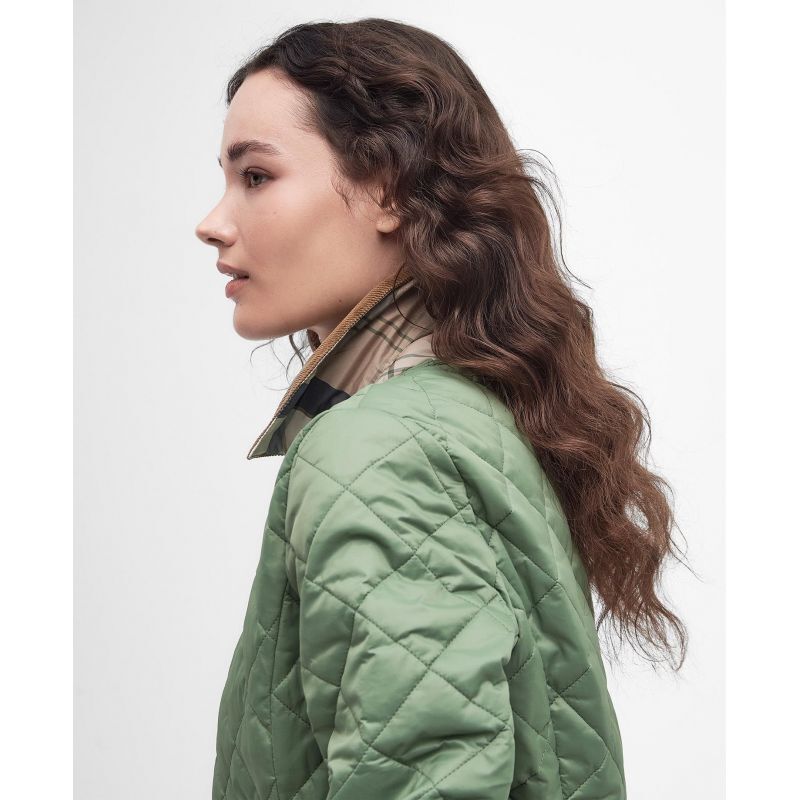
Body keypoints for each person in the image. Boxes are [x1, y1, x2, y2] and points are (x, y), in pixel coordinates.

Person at [195, 18, 689, 800]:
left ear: (387, 189)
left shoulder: (381, 447)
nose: (213, 222)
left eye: (256, 176)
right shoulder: (467, 414)